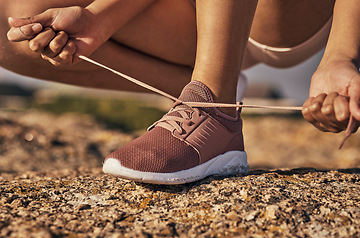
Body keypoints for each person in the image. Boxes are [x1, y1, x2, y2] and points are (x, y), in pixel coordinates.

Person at [1, 0, 359, 184]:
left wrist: (340, 54)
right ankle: (202, 89)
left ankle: (212, 101)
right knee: (14, 20)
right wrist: (99, 18)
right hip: (193, 14)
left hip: (283, 15)